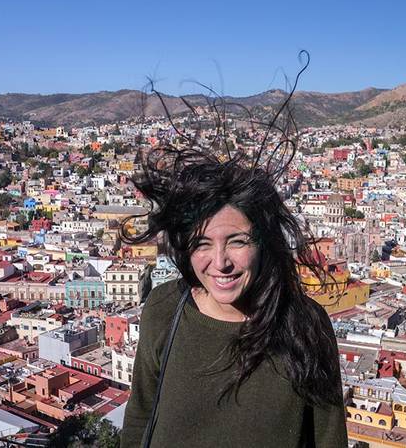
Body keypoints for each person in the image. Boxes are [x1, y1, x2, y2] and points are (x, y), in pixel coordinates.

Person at [118, 140, 347, 447]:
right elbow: (139, 418)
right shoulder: (164, 308)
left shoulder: (305, 324)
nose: (220, 262)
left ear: (263, 243)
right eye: (202, 244)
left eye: (237, 242)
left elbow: (328, 439)